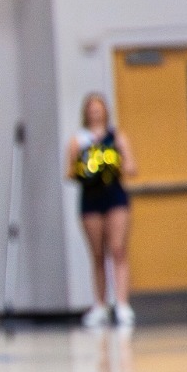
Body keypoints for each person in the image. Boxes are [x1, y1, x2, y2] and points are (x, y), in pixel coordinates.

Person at [67, 92, 137, 328]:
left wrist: (114, 162)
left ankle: (122, 303)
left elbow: (131, 166)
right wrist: (86, 169)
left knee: (117, 249)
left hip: (114, 195)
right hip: (91, 197)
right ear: (86, 113)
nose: (95, 113)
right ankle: (100, 303)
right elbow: (69, 172)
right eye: (91, 109)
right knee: (97, 253)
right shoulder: (79, 140)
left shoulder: (116, 137)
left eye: (99, 109)